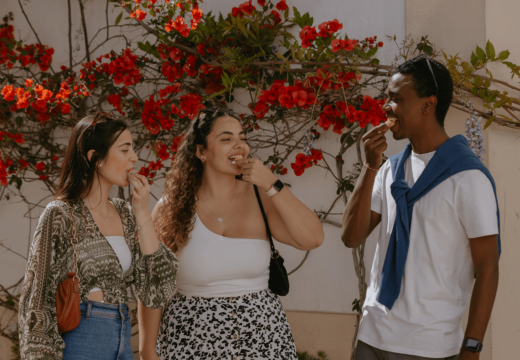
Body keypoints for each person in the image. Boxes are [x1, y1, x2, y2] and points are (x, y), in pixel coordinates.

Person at [342, 55, 500, 360]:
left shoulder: (468, 177)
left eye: (396, 99)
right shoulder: (390, 170)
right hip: (372, 336)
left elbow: (488, 268)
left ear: (428, 105)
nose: (386, 107)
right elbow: (351, 237)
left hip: (429, 345)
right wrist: (369, 168)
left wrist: (472, 347)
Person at [138, 107, 324, 360]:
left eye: (243, 138)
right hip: (191, 340)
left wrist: (272, 183)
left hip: (264, 340)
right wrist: (147, 350)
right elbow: (153, 281)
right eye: (226, 139)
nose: (240, 146)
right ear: (201, 151)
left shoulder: (261, 196)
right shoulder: (172, 207)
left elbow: (312, 238)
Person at [18, 112, 178, 360]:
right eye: (125, 150)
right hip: (82, 338)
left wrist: (142, 209)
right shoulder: (61, 214)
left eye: (132, 149)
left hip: (123, 337)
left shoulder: (125, 213)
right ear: (95, 158)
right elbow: (37, 298)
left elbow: (155, 286)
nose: (134, 157)